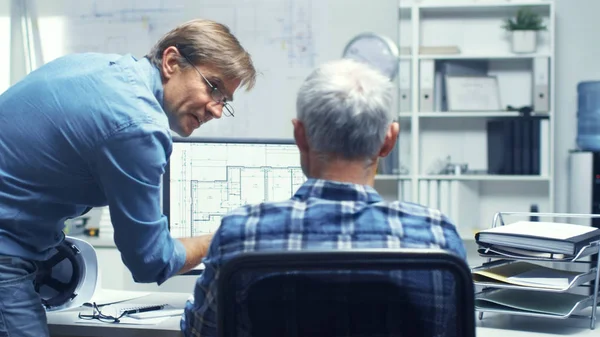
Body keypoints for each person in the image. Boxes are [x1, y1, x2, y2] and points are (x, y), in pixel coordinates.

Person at [0, 19, 256, 337]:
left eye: (225, 101)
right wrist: (224, 235)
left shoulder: (102, 68)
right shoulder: (138, 125)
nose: (217, 110)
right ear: (172, 62)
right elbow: (151, 260)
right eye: (213, 87)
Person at [180, 59, 467, 336]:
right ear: (389, 140)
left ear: (299, 136)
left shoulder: (241, 233)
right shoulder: (437, 239)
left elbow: (201, 331)